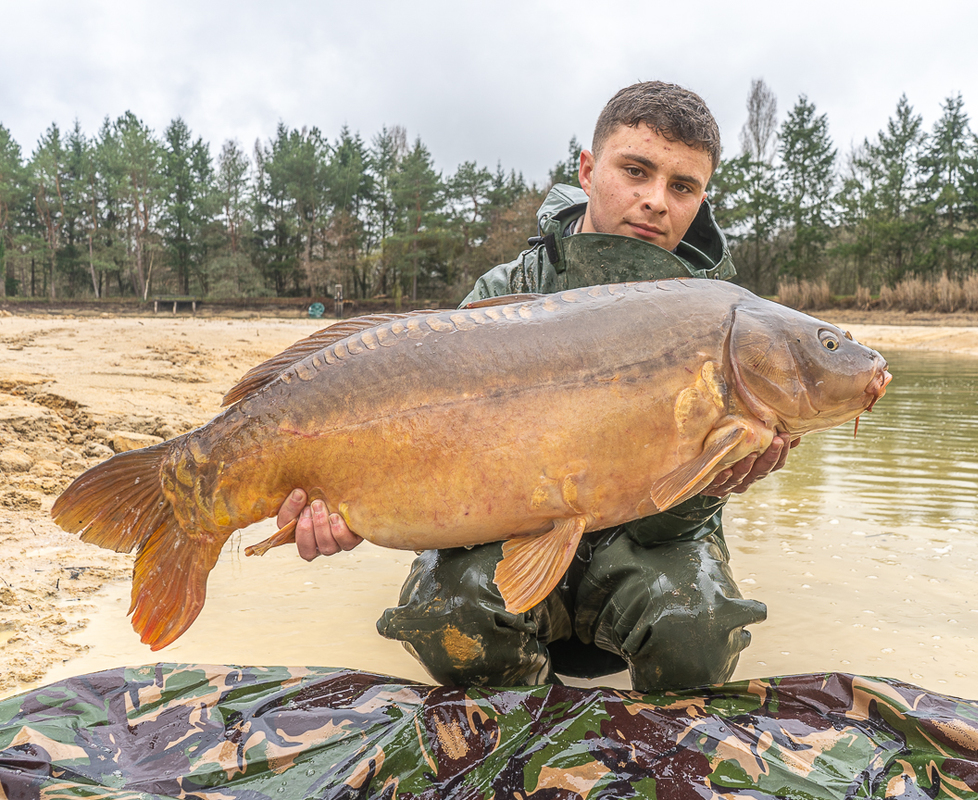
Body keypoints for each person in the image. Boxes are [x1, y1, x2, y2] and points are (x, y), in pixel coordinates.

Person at [276, 81, 797, 691]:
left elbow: (667, 531)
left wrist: (711, 484)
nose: (655, 200)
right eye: (636, 170)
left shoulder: (733, 331)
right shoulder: (505, 291)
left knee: (698, 634)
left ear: (701, 198)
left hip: (639, 553)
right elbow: (426, 452)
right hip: (507, 538)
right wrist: (351, 501)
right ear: (587, 169)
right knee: (451, 615)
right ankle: (523, 714)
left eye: (682, 187)